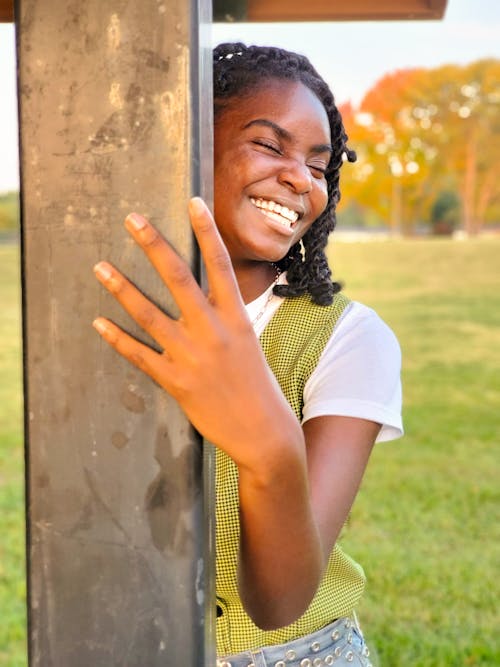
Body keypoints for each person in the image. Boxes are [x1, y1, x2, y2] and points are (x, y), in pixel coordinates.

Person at [93, 43, 402, 667]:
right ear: (188, 149)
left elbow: (281, 598)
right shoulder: (123, 310)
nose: (300, 178)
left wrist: (268, 446)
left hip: (298, 653)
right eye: (270, 145)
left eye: (319, 165)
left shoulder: (350, 339)